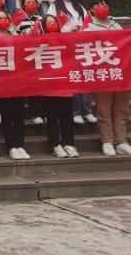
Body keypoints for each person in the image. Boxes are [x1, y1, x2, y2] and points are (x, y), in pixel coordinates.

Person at [87, 0, 131, 157]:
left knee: (122, 108)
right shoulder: (89, 28)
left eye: (105, 5)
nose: (102, 8)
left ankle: (121, 141)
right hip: (102, 74)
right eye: (98, 6)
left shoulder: (116, 25)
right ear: (92, 9)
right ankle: (107, 141)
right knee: (104, 109)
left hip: (118, 73)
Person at [48, 0, 96, 125]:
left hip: (81, 45)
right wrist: (69, 29)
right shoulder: (54, 7)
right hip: (66, 46)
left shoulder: (79, 6)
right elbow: (51, 25)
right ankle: (76, 111)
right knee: (72, 77)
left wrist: (82, 30)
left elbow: (88, 22)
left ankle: (87, 110)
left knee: (84, 77)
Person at [0, 10, 30, 160]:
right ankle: (11, 146)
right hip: (1, 81)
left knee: (19, 116)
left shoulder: (16, 35)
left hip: (17, 80)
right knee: (7, 116)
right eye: (0, 18)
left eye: (5, 18)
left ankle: (21, 145)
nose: (3, 20)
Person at [39, 15, 79, 158]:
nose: (51, 24)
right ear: (43, 25)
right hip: (49, 85)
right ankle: (55, 145)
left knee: (67, 116)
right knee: (52, 117)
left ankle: (69, 144)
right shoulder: (39, 41)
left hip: (65, 84)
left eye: (53, 22)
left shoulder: (65, 40)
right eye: (48, 22)